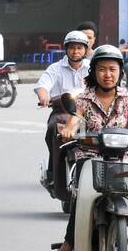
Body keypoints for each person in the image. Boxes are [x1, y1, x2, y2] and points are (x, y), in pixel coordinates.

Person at [55, 46, 128, 251]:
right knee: (81, 197)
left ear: (120, 72)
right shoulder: (83, 99)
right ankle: (68, 243)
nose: (107, 74)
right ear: (93, 72)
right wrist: (68, 130)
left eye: (112, 69)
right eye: (102, 69)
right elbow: (75, 120)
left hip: (120, 158)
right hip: (89, 156)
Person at [35, 30, 92, 197]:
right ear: (66, 49)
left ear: (85, 50)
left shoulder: (92, 68)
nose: (76, 51)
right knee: (54, 132)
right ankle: (54, 173)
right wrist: (44, 96)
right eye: (72, 48)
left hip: (88, 113)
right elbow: (43, 85)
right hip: (62, 112)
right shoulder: (56, 68)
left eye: (79, 48)